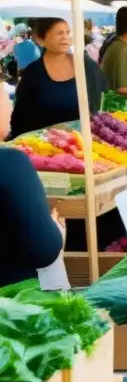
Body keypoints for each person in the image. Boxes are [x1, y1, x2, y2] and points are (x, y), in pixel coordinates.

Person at [0, 89, 65, 286]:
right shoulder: (10, 164)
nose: (10, 106)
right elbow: (44, 249)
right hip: (10, 306)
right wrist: (57, 230)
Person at [9, 18, 107, 139]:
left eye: (68, 32)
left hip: (84, 142)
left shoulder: (87, 66)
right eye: (59, 33)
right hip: (44, 145)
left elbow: (100, 103)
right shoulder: (32, 73)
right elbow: (20, 116)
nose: (65, 37)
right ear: (41, 40)